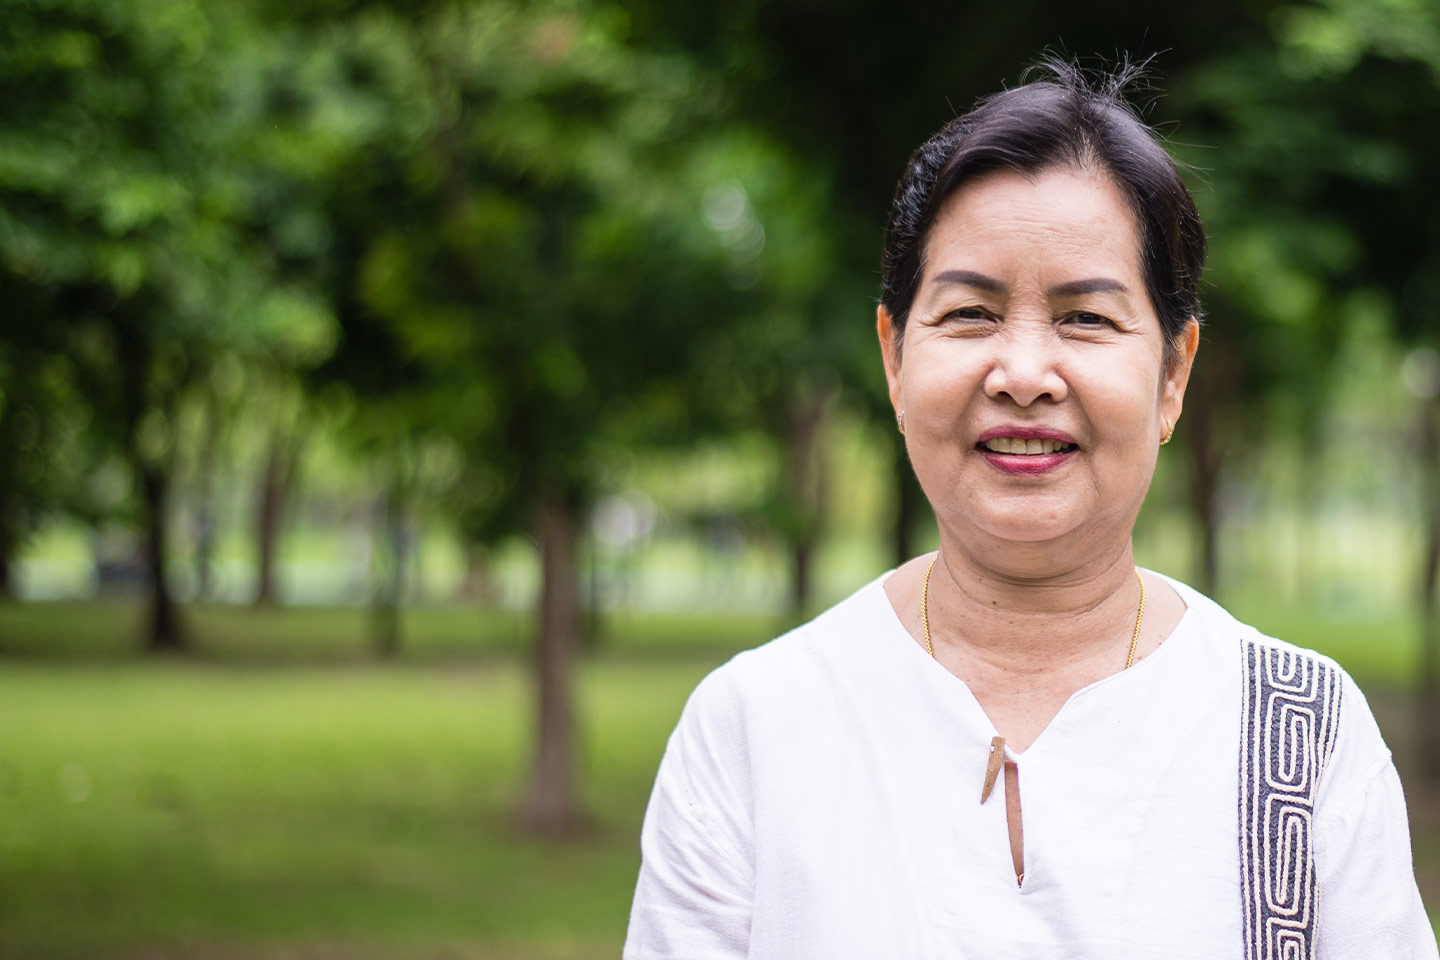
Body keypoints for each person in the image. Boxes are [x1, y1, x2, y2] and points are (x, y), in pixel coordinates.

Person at [624, 60, 1439, 959]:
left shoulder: (1302, 733)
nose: (1021, 375)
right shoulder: (755, 727)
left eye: (1085, 319)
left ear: (1173, 374)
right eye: (970, 312)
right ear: (895, 359)